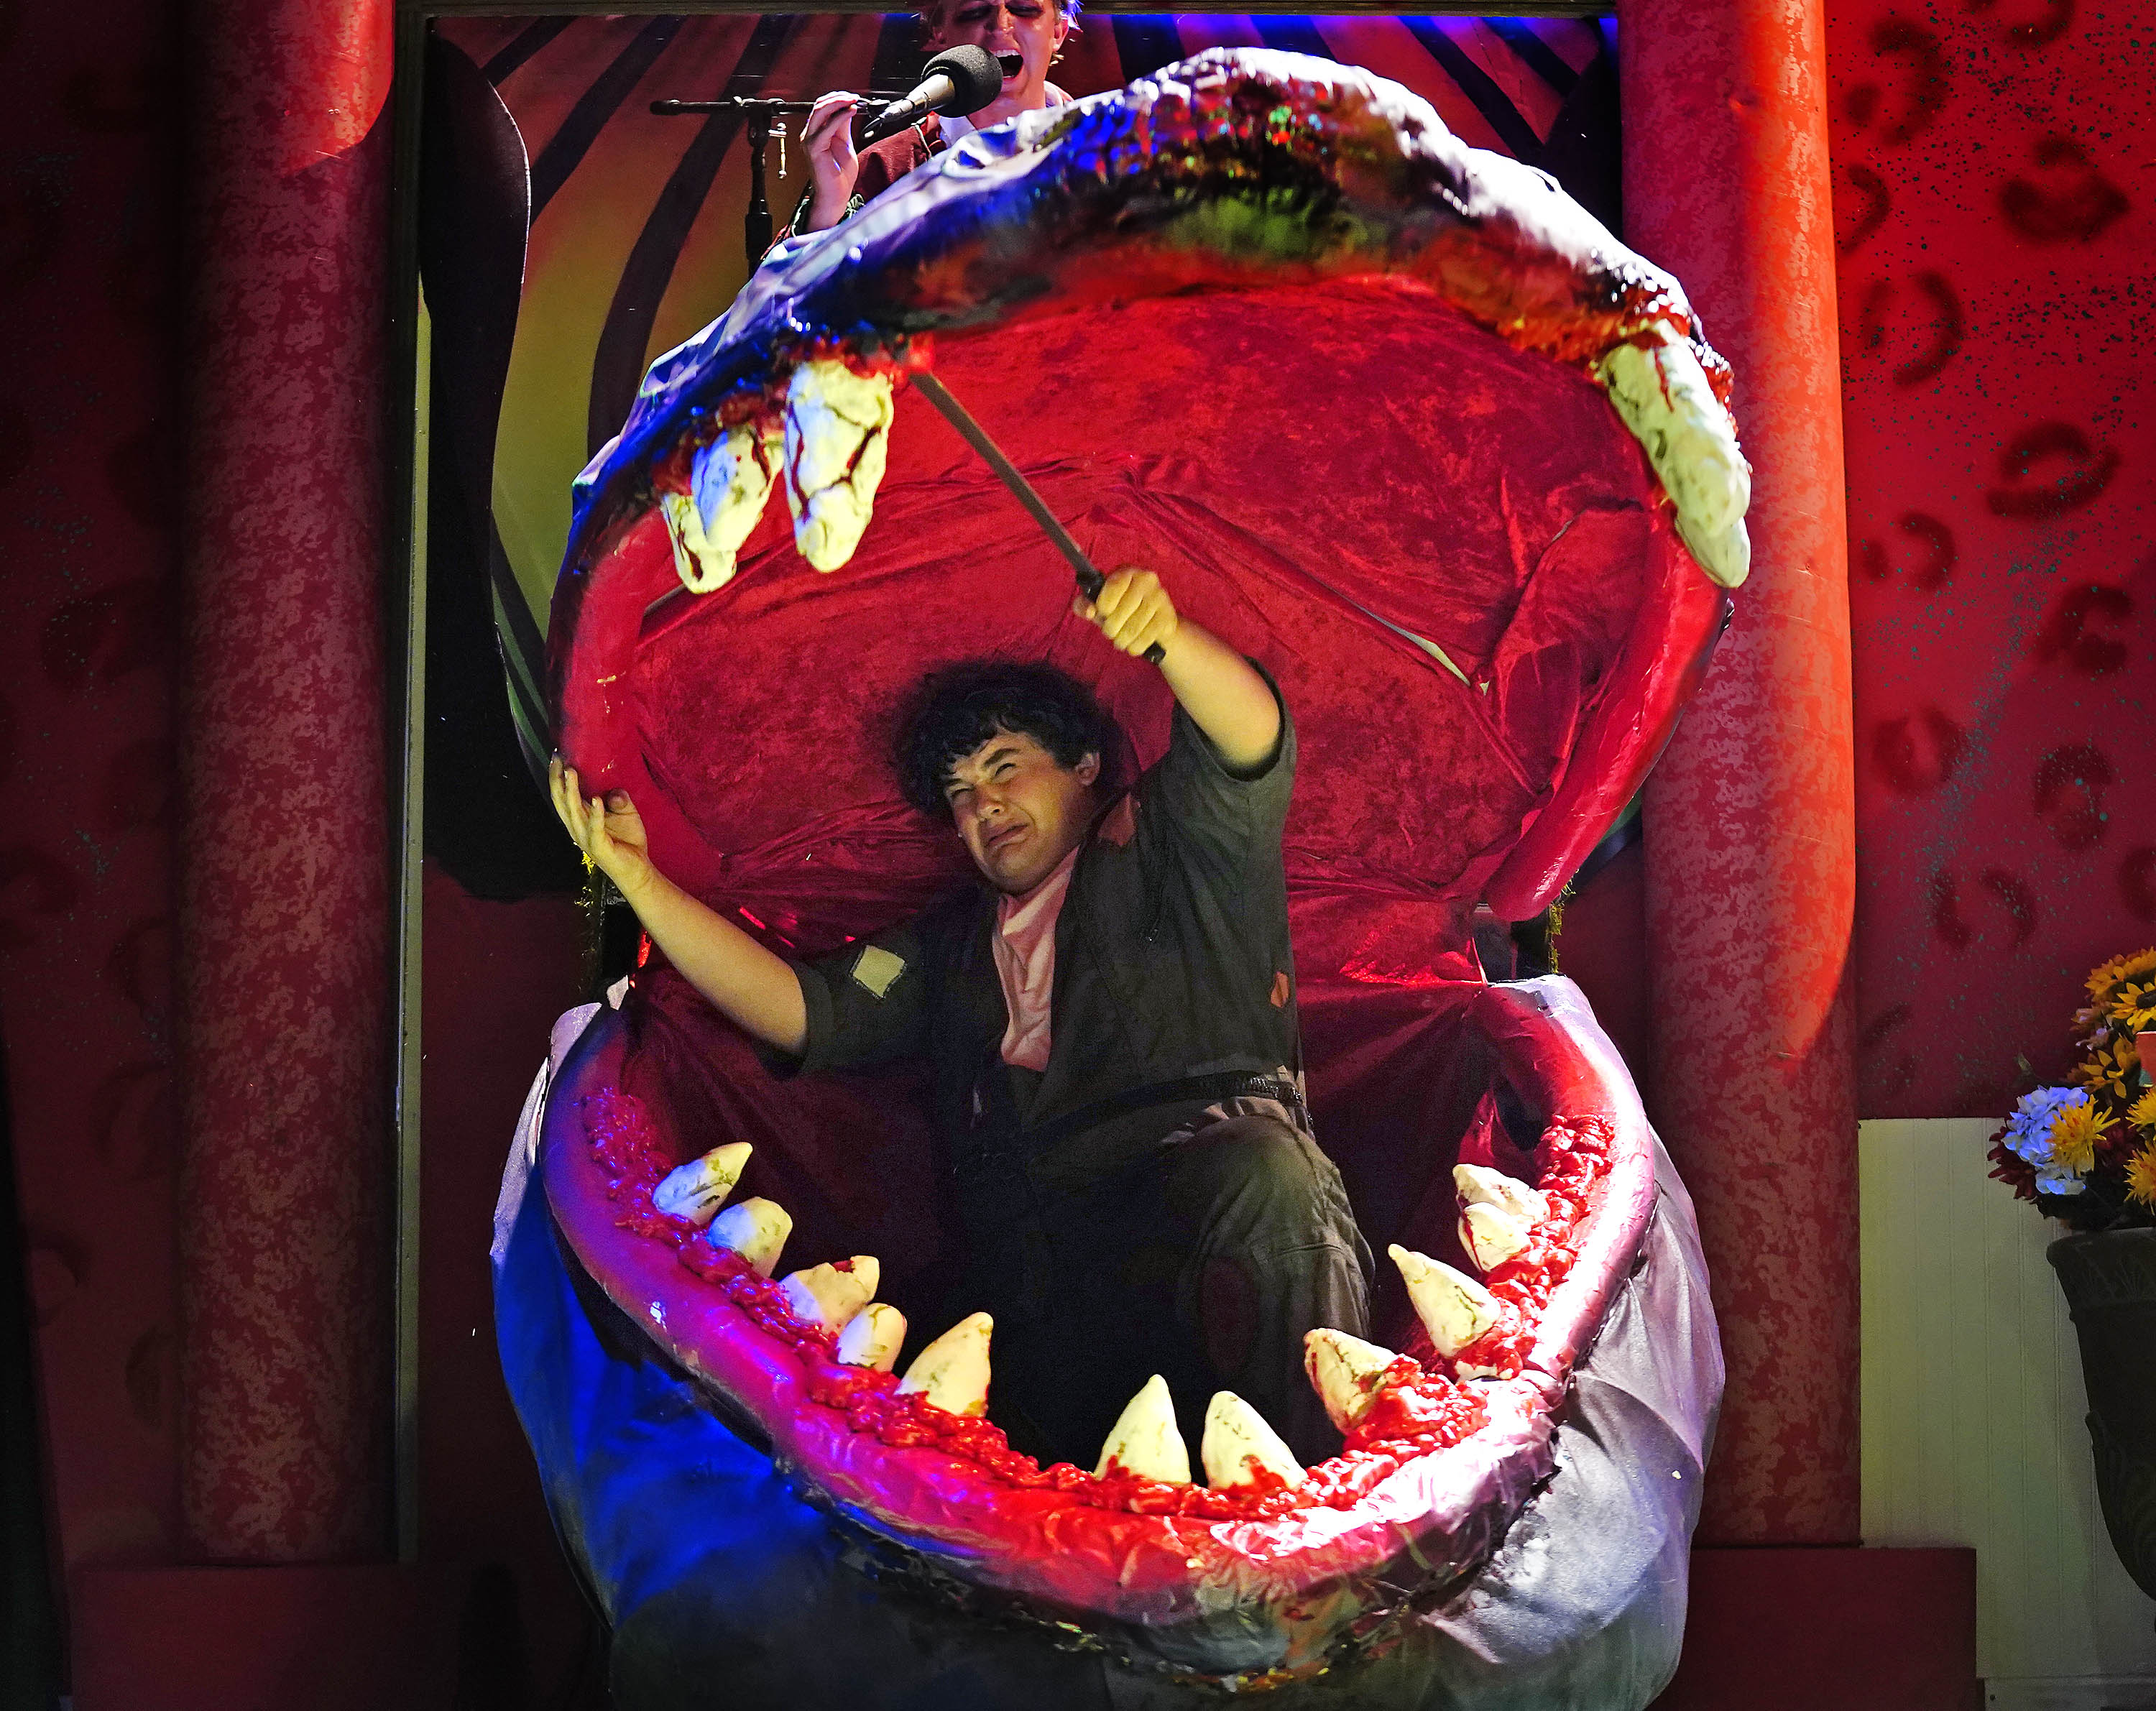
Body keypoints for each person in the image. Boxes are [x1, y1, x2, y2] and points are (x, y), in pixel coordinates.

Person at [550, 569, 1370, 1468]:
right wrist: (640, 884)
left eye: (1004, 767)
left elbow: (1250, 740)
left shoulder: (1173, 841)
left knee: (1267, 1174)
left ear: (1085, 765)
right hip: (1045, 1275)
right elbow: (801, 1009)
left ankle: (1326, 1532)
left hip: (1211, 1196)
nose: (983, 805)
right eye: (960, 793)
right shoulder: (947, 945)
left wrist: (1167, 634)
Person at [789, 0, 1079, 237]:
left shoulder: (1094, 143)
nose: (1000, 25)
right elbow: (777, 288)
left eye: (1024, 8)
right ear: (939, 34)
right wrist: (827, 213)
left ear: (1058, 33)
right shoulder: (886, 168)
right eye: (974, 11)